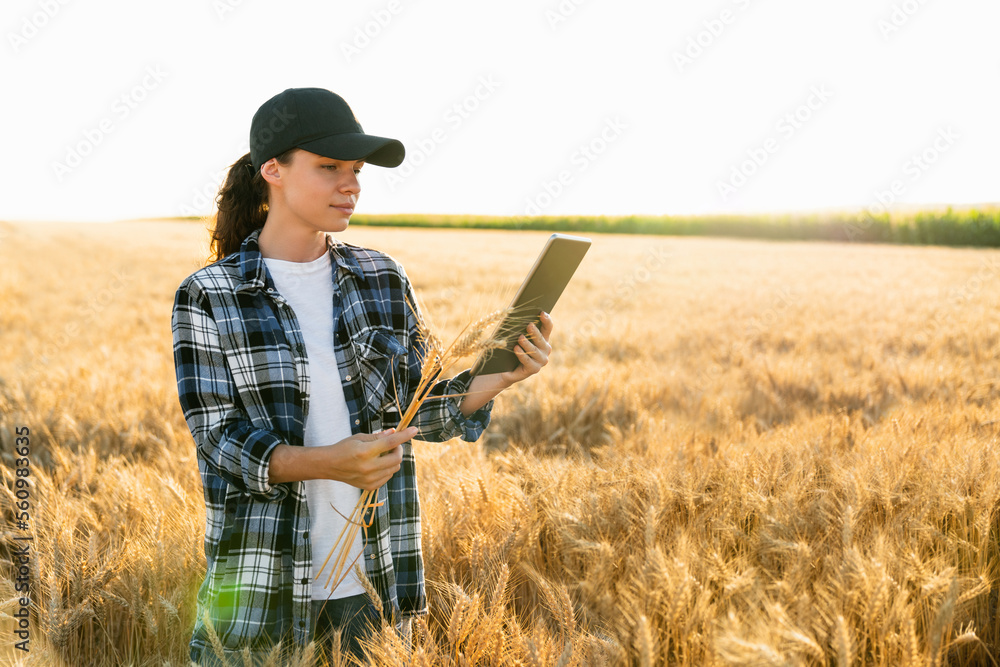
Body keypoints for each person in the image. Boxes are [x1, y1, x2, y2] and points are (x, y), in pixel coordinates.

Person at [170, 87, 553, 666]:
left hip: (376, 584)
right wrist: (331, 462)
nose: (351, 184)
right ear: (272, 169)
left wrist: (498, 376)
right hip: (259, 589)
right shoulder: (209, 295)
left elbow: (415, 409)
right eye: (329, 168)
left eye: (355, 170)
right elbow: (219, 440)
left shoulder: (382, 277)